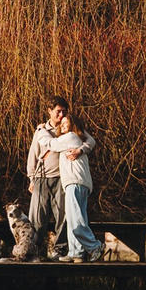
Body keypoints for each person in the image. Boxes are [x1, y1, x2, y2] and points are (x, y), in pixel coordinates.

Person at [11, 100, 69, 261]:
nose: (61, 115)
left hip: (61, 178)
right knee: (37, 217)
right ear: (50, 111)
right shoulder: (41, 130)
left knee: (63, 216)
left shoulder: (67, 129)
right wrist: (31, 178)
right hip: (42, 178)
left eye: (64, 111)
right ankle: (33, 249)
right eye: (58, 111)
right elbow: (33, 155)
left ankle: (60, 250)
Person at [52, 109, 100, 261]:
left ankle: (95, 247)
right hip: (78, 183)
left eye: (67, 123)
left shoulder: (71, 137)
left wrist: (41, 131)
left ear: (73, 126)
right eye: (63, 123)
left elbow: (50, 143)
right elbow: (90, 140)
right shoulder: (77, 139)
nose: (63, 125)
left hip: (75, 182)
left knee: (75, 219)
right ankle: (76, 252)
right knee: (75, 217)